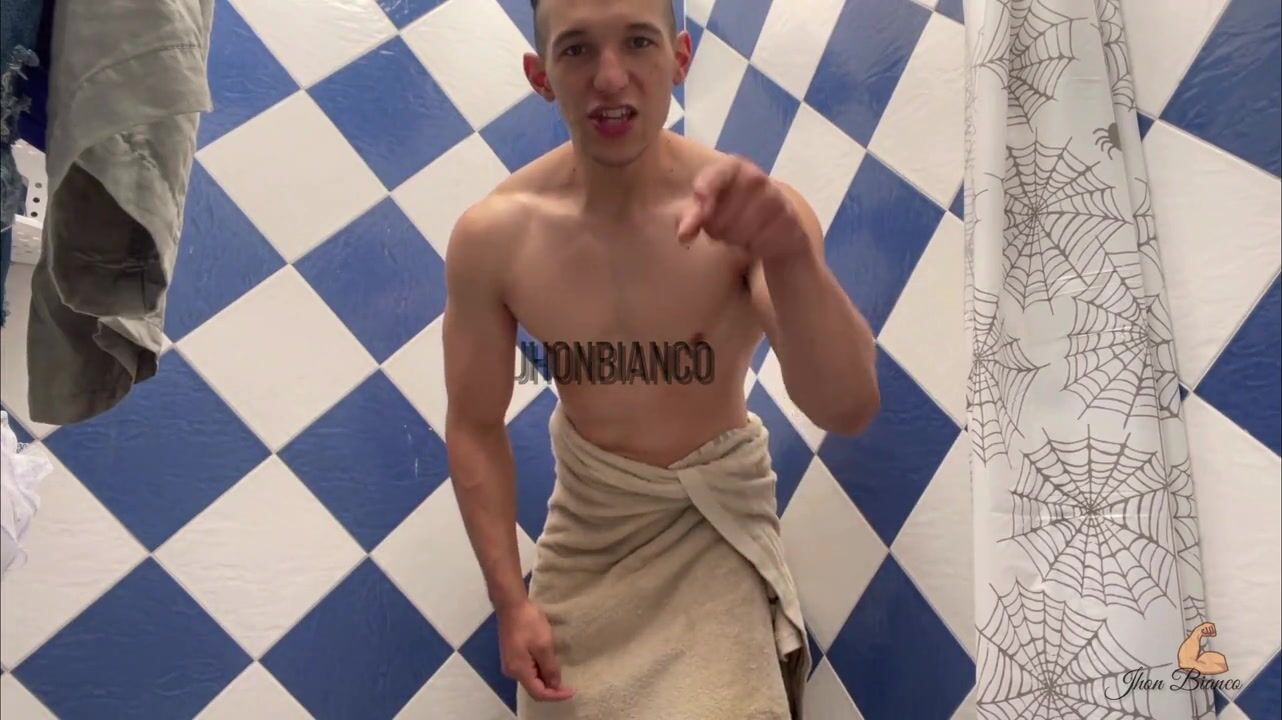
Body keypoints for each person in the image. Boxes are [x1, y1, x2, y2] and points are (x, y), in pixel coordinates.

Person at [441, 0, 880, 717]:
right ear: (541, 75)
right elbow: (474, 425)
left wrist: (792, 256)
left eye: (638, 43)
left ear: (679, 59)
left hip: (712, 522)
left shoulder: (753, 217)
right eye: (577, 50)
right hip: (591, 530)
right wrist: (510, 602)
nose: (611, 77)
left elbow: (848, 407)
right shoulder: (495, 238)